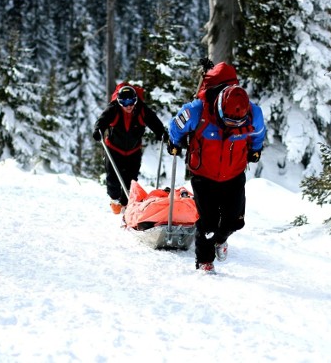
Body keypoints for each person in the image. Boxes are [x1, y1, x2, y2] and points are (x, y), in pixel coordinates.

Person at [167, 61, 266, 273]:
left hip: (234, 174)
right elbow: (175, 126)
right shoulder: (196, 110)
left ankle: (221, 240)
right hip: (204, 175)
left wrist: (256, 149)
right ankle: (205, 261)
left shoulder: (253, 113)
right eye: (228, 121)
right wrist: (175, 142)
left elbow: (259, 133)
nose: (233, 126)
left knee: (234, 222)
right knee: (208, 223)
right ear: (220, 107)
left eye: (237, 124)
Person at [93, 82, 167, 214]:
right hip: (114, 149)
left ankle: (126, 205)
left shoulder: (141, 109)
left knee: (131, 180)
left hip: (133, 150)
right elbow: (102, 120)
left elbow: (154, 121)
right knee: (113, 179)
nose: (129, 106)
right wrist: (98, 130)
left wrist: (162, 133)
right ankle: (115, 200)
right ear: (119, 102)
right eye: (125, 102)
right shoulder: (114, 108)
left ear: (136, 100)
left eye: (132, 101)